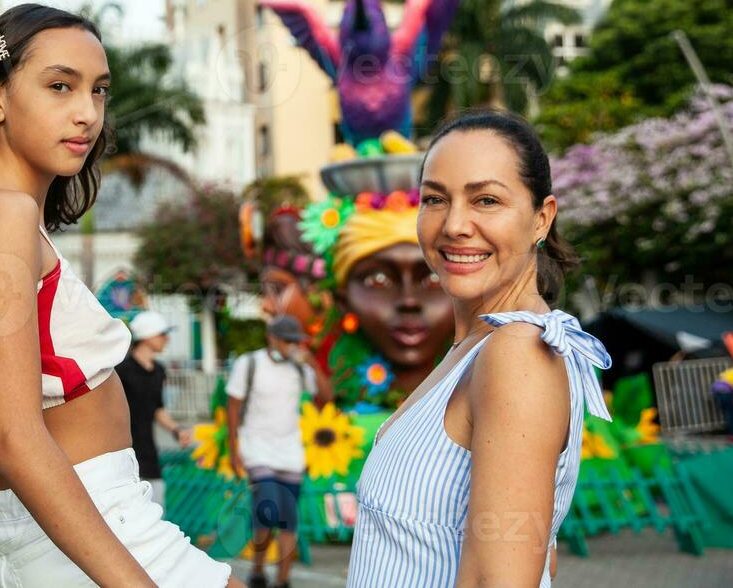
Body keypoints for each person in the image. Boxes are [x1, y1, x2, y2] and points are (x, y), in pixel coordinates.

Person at [0, 3, 240, 587]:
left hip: (53, 531)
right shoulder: (4, 215)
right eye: (60, 86)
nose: (87, 114)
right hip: (86, 524)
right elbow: (10, 438)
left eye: (99, 91)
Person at [346, 109, 613, 587]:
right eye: (435, 199)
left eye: (486, 200)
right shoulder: (476, 348)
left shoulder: (517, 354)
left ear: (541, 219)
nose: (454, 225)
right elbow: (540, 558)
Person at [227, 314, 325, 588]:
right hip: (257, 448)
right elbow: (233, 407)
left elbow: (326, 397)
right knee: (267, 508)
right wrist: (234, 450)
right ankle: (258, 569)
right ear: (272, 338)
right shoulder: (250, 364)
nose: (291, 346)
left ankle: (282, 580)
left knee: (288, 516)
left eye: (296, 341)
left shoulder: (299, 368)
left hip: (290, 451)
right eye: (287, 340)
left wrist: (312, 364)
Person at [115, 310, 192, 507]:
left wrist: (177, 429)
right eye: (162, 334)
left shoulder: (159, 370)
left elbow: (157, 408)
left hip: (149, 454)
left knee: (157, 510)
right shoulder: (121, 370)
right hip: (123, 454)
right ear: (147, 336)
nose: (167, 339)